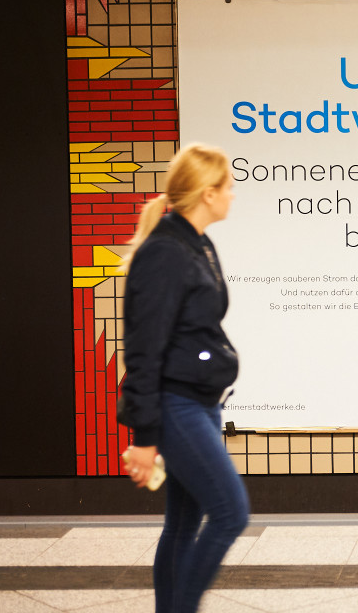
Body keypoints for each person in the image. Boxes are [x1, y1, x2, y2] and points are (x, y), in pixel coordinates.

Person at [118, 143, 249, 613]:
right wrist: (145, 436)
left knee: (183, 521)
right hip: (177, 405)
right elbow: (143, 350)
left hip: (201, 401)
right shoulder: (165, 253)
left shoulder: (196, 242)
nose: (233, 195)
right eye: (228, 187)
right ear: (207, 193)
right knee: (231, 513)